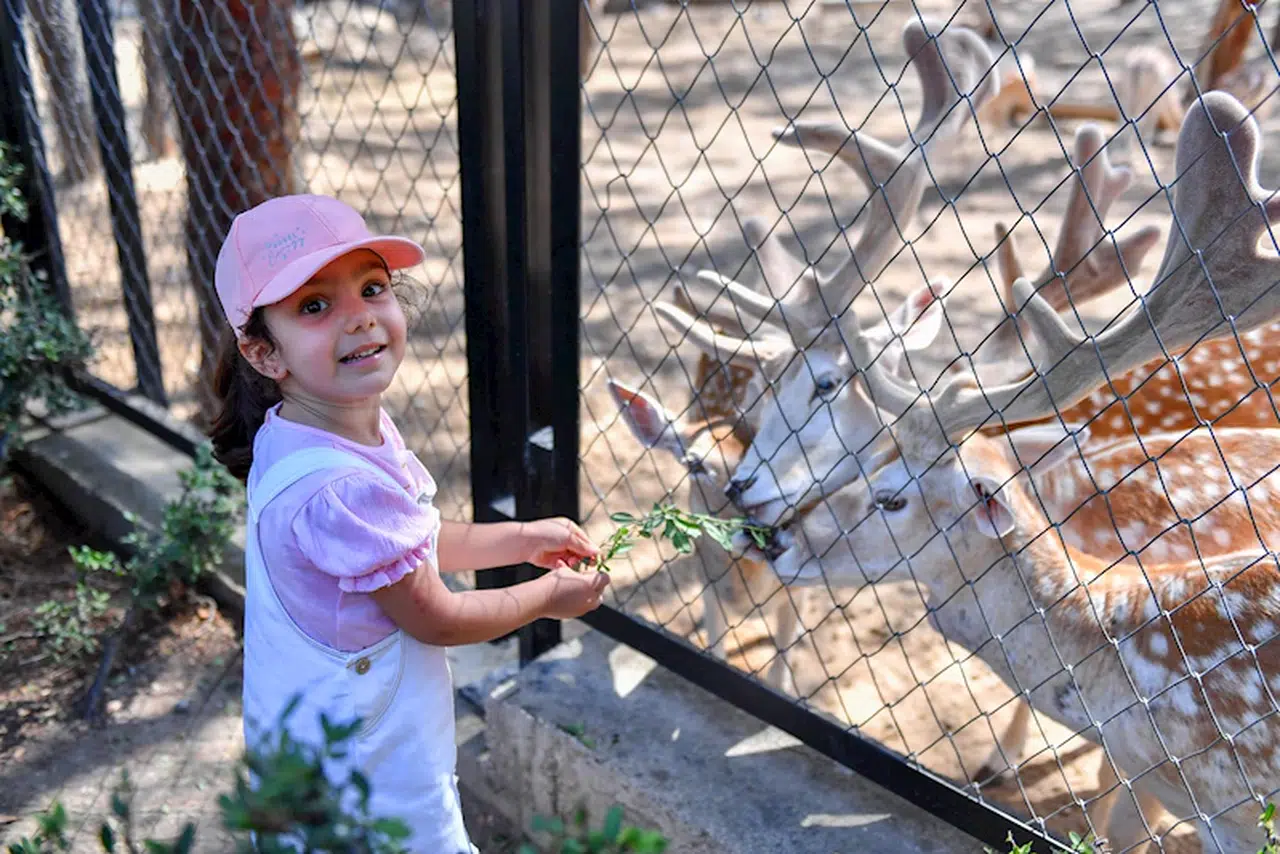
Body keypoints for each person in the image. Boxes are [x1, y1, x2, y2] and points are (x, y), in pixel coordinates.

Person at [208, 193, 608, 853]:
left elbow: (408, 543)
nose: (360, 318)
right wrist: (548, 599)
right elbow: (436, 617)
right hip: (367, 778)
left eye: (372, 288)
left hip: (318, 756)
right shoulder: (338, 486)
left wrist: (521, 537)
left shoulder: (305, 432)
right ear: (263, 354)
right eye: (315, 306)